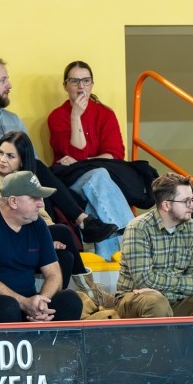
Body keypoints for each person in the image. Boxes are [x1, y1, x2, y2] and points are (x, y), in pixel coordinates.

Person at [0, 56, 118, 245]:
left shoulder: (13, 119)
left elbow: (31, 158)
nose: (10, 85)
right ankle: (80, 222)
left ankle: (66, 233)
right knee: (38, 177)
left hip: (23, 174)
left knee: (40, 178)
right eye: (3, 80)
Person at [0, 131, 114, 307]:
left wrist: (45, 239)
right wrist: (44, 240)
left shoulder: (26, 177)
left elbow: (42, 215)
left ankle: (44, 303)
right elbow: (7, 216)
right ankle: (90, 291)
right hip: (5, 239)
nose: (2, 160)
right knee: (62, 231)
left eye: (10, 156)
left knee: (66, 257)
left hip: (28, 231)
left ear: (22, 160)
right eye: (0, 153)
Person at [46, 61, 135, 259]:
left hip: (102, 181)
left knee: (97, 196)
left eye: (86, 81)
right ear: (65, 85)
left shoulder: (105, 114)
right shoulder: (57, 117)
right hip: (70, 181)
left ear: (92, 84)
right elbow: (77, 155)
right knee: (99, 175)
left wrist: (86, 161)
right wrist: (75, 117)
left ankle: (109, 269)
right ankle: (134, 242)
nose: (81, 86)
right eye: (75, 81)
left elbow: (115, 154)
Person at [0, 171, 83, 323]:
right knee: (8, 306)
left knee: (71, 300)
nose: (41, 204)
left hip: (30, 301)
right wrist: (24, 303)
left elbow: (54, 274)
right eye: (35, 198)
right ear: (13, 201)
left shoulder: (37, 223)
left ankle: (45, 335)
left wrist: (40, 303)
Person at [115, 173, 193, 318]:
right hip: (136, 298)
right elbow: (144, 280)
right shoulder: (138, 228)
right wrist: (188, 284)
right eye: (186, 201)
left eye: (192, 200)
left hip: (176, 298)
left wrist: (164, 290)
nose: (192, 206)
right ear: (166, 205)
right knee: (156, 303)